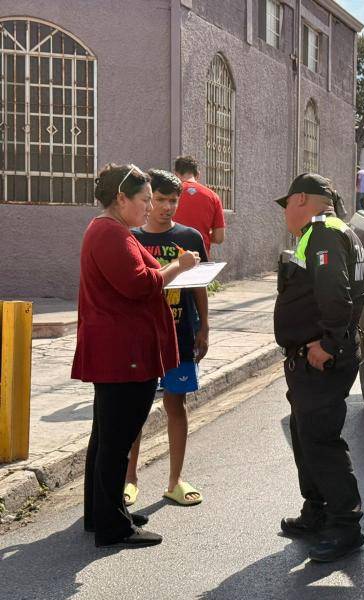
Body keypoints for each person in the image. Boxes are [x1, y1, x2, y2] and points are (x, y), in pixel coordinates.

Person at [72, 164, 200, 548]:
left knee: (108, 437)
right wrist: (179, 267)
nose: (148, 207)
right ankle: (113, 527)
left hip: (121, 348)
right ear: (120, 199)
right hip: (122, 352)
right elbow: (139, 284)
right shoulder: (109, 233)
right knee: (116, 438)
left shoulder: (113, 231)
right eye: (144, 200)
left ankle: (103, 513)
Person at [274, 173, 364, 562]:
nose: (285, 216)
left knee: (322, 442)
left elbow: (337, 294)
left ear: (299, 200)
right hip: (309, 360)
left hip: (321, 360)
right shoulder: (327, 231)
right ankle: (316, 510)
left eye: (287, 207)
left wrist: (329, 344)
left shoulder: (324, 232)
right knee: (305, 434)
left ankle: (345, 525)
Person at [124, 169, 209, 508]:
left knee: (176, 404)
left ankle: (174, 481)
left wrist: (204, 327)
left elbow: (200, 284)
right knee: (135, 409)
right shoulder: (130, 238)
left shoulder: (190, 237)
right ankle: (129, 479)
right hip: (141, 338)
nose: (166, 207)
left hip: (180, 333)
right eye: (159, 200)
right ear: (148, 199)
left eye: (172, 201)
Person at [172, 155, 226, 256]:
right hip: (200, 256)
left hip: (171, 256)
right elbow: (219, 238)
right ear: (197, 175)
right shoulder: (213, 197)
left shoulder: (168, 194)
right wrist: (200, 236)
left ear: (176, 174)